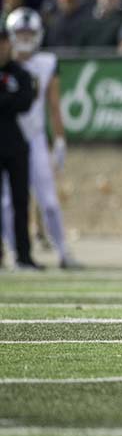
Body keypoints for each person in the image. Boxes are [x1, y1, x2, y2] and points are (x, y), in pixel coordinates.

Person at [1, 8, 79, 269]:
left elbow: (54, 105)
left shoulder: (46, 63)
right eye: (19, 32)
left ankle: (63, 251)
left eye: (29, 32)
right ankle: (15, 252)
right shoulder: (6, 66)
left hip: (33, 138)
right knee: (7, 202)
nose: (24, 38)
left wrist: (59, 140)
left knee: (49, 201)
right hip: (8, 136)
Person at [0, 28, 37, 270]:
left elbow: (25, 102)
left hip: (15, 143)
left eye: (4, 43)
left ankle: (23, 255)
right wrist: (8, 101)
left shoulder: (20, 73)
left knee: (21, 201)